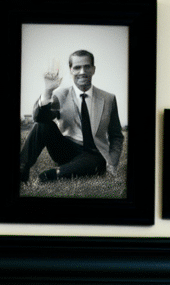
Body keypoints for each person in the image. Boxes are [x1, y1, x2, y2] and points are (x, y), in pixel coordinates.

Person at [18, 49, 124, 187]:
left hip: (94, 154)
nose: (82, 71)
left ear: (93, 69)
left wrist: (113, 163)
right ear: (70, 70)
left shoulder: (108, 98)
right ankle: (21, 169)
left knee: (95, 163)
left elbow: (116, 136)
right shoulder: (60, 94)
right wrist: (47, 91)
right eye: (77, 67)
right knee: (43, 125)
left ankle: (52, 175)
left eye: (87, 66)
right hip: (66, 149)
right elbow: (40, 117)